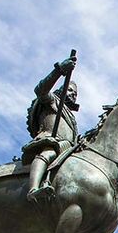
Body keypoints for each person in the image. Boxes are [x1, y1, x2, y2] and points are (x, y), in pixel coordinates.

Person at [23, 55, 80, 202]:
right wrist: (60, 71)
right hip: (51, 142)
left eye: (75, 94)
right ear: (61, 90)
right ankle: (33, 189)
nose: (73, 95)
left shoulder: (72, 119)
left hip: (67, 150)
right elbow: (40, 90)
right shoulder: (52, 100)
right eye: (70, 91)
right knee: (48, 153)